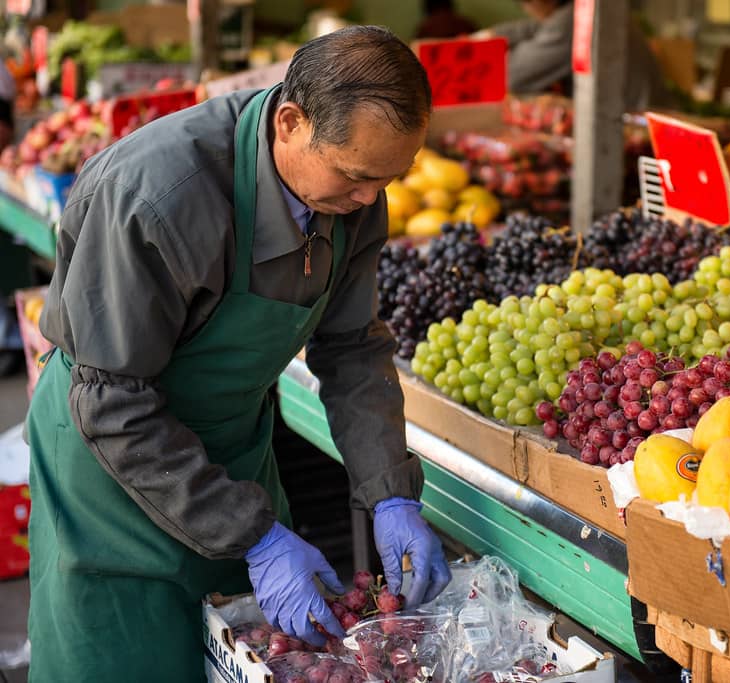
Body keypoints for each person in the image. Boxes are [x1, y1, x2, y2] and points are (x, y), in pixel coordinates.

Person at [26, 26, 451, 682]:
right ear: (290, 122)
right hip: (112, 467)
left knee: (244, 658)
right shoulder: (159, 198)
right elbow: (110, 397)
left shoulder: (352, 194)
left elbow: (350, 348)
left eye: (388, 179)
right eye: (357, 177)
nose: (370, 200)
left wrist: (390, 492)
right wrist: (253, 535)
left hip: (233, 455)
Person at [484, 0, 671, 110]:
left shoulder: (574, 19)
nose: (526, 11)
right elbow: (537, 28)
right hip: (633, 116)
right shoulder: (579, 9)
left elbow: (512, 75)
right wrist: (489, 36)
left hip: (633, 125)